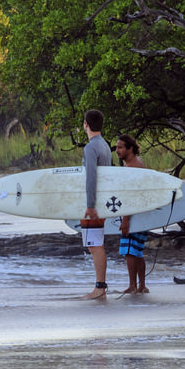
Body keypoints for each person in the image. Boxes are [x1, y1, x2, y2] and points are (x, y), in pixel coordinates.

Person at [81, 109, 112, 300]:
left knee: (95, 245)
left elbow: (91, 177)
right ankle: (100, 286)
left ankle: (100, 287)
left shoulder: (91, 148)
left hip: (95, 203)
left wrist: (90, 205)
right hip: (103, 200)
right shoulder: (105, 145)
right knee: (95, 243)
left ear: (86, 124)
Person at [116, 134, 149, 294]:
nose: (117, 150)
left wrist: (126, 219)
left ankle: (132, 286)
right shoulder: (136, 162)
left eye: (120, 147)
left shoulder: (133, 166)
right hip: (141, 213)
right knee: (137, 250)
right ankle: (141, 285)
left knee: (129, 250)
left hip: (134, 213)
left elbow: (131, 195)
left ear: (130, 148)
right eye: (116, 147)